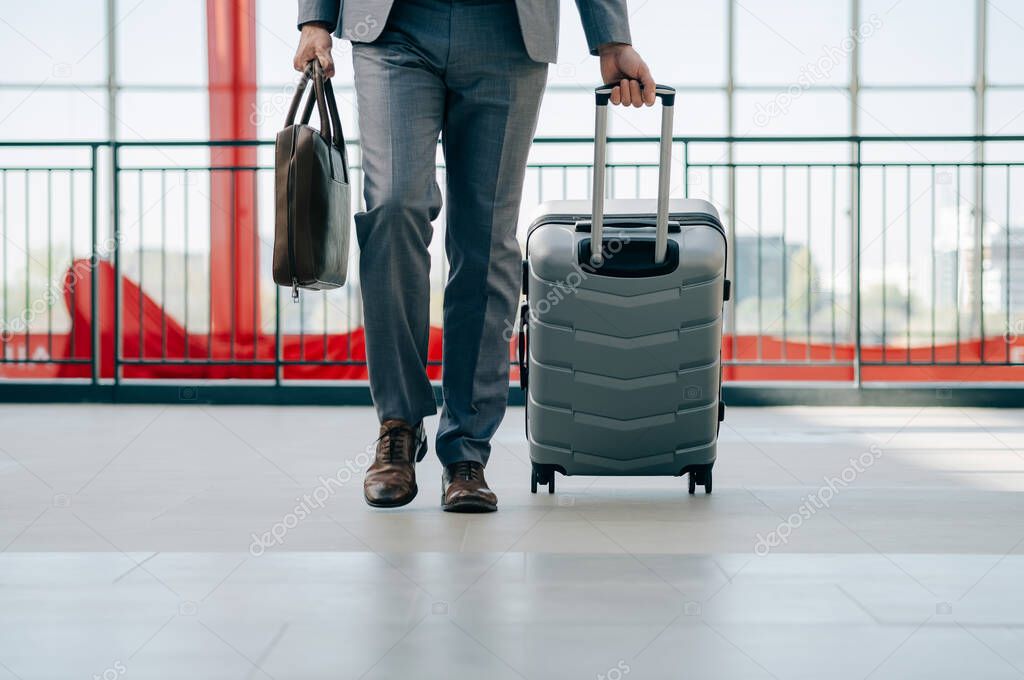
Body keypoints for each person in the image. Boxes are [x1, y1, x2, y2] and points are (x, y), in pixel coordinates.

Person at [293, 0, 655, 512]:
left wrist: (612, 39)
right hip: (395, 28)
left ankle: (466, 449)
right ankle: (397, 424)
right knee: (394, 206)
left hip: (508, 32)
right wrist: (315, 20)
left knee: (486, 239)